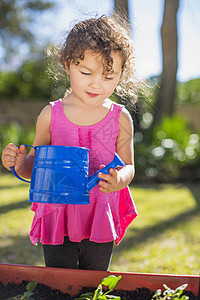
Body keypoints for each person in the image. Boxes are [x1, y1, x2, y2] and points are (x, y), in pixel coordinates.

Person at [1, 14, 142, 271]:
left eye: (108, 77)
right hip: (58, 212)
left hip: (99, 211)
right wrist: (20, 163)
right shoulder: (50, 115)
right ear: (68, 65)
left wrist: (119, 180)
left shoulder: (120, 117)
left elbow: (129, 166)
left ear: (121, 75)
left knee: (94, 281)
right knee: (58, 280)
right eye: (86, 72)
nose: (96, 83)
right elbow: (36, 169)